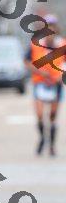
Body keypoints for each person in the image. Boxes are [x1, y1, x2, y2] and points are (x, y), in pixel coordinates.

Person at [24, 14, 66, 156]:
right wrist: (40, 72)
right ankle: (42, 138)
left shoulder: (62, 44)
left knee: (53, 115)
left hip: (56, 84)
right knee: (40, 114)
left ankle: (52, 145)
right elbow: (27, 62)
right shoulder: (35, 44)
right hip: (39, 83)